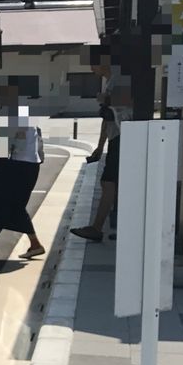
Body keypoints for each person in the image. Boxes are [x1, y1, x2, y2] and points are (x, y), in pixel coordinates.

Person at [70, 59, 130, 243]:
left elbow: (128, 103)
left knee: (108, 182)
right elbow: (107, 118)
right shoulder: (110, 80)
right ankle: (105, 226)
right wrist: (100, 146)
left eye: (93, 63)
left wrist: (107, 100)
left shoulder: (120, 79)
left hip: (123, 135)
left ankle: (98, 228)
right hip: (115, 136)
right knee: (112, 183)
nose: (91, 68)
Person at [0, 95, 46, 259]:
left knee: (10, 203)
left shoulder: (11, 115)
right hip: (31, 165)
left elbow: (2, 147)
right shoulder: (25, 114)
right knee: (13, 203)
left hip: (21, 167)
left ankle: (35, 243)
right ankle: (34, 243)